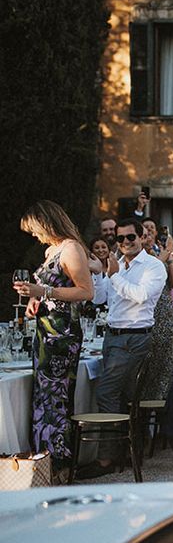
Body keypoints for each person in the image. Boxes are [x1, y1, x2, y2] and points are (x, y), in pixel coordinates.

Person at [14, 201, 94, 479]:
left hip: (62, 335)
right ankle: (42, 462)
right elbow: (50, 289)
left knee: (56, 400)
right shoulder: (51, 251)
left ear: (46, 224)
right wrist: (34, 298)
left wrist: (43, 290)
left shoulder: (71, 248)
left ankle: (59, 465)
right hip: (45, 333)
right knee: (43, 398)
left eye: (35, 231)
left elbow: (86, 292)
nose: (35, 237)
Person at [87, 218, 168, 477]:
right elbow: (100, 298)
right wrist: (100, 273)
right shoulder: (117, 264)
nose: (124, 243)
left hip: (134, 337)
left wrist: (113, 275)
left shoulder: (153, 266)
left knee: (106, 392)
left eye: (129, 238)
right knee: (122, 395)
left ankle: (106, 459)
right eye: (119, 239)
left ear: (142, 236)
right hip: (113, 336)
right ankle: (130, 449)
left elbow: (142, 296)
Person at [141, 224, 173, 400]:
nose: (148, 238)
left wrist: (169, 260)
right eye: (143, 235)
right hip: (145, 316)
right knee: (146, 369)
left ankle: (161, 408)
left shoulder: (160, 255)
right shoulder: (135, 259)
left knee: (165, 367)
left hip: (164, 315)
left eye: (150, 233)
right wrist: (162, 257)